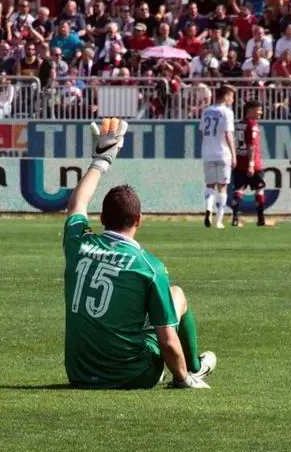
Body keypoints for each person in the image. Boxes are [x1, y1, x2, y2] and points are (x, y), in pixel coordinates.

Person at [63, 117, 215, 389]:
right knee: (176, 295)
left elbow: (77, 204)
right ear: (139, 220)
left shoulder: (79, 245)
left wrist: (101, 161)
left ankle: (189, 367)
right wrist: (182, 379)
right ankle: (194, 368)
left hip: (79, 373)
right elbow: (167, 341)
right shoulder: (148, 265)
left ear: (102, 218)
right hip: (133, 374)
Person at [199, 85, 236, 228]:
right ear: (225, 96)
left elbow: (201, 132)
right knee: (222, 186)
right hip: (223, 153)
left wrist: (206, 146)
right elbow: (228, 134)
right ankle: (219, 220)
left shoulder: (206, 111)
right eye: (231, 96)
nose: (232, 99)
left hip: (207, 153)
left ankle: (208, 209)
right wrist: (233, 154)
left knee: (209, 185)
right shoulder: (227, 112)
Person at [231, 100, 266, 227]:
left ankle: (235, 218)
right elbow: (251, 145)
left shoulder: (239, 124)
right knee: (259, 188)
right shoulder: (253, 125)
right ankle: (261, 218)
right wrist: (251, 164)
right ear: (250, 110)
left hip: (239, 162)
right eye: (258, 109)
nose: (261, 112)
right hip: (253, 163)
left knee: (238, 189)